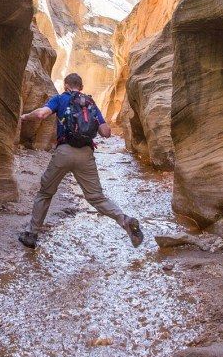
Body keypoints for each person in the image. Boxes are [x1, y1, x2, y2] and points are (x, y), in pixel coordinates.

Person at [17, 72, 144, 249]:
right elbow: (106, 132)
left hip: (63, 152)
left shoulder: (60, 99)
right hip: (86, 154)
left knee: (46, 193)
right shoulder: (90, 103)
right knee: (97, 198)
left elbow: (41, 114)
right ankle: (125, 220)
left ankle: (32, 234)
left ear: (66, 85)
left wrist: (25, 116)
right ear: (81, 87)